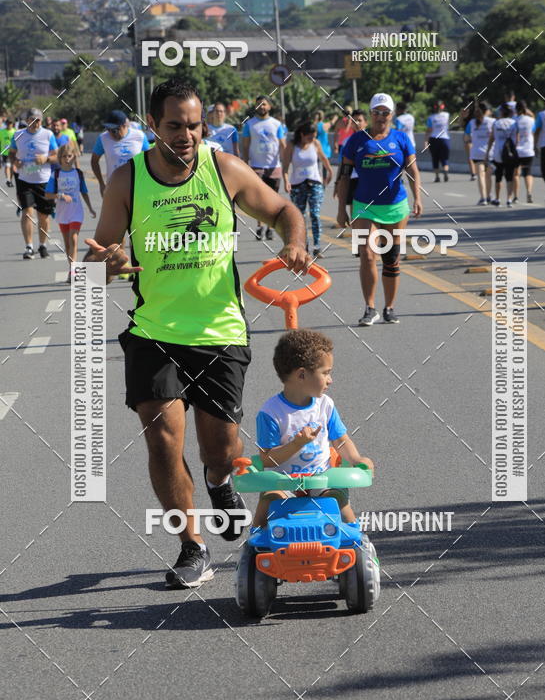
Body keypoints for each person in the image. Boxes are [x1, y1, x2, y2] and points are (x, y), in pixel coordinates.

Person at [84, 78, 310, 589]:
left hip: (219, 332)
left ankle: (220, 481)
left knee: (220, 450)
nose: (186, 135)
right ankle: (192, 546)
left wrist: (294, 242)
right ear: (152, 126)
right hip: (154, 332)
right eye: (174, 126)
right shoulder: (127, 180)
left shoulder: (221, 167)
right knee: (163, 440)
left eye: (194, 125)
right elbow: (95, 265)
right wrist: (111, 264)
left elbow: (282, 210)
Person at [252, 329, 374, 529]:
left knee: (338, 501)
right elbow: (267, 458)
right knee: (269, 500)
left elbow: (340, 440)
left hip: (321, 478)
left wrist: (357, 459)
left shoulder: (325, 405)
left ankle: (359, 542)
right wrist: (296, 444)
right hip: (284, 482)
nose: (330, 379)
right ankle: (254, 544)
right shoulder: (271, 413)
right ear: (302, 374)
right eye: (325, 373)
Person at [336, 92, 423, 326]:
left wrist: (418, 198)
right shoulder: (356, 141)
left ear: (392, 115)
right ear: (370, 114)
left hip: (395, 207)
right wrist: (341, 209)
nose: (381, 116)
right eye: (376, 112)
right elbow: (344, 177)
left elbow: (413, 170)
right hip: (365, 206)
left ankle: (390, 307)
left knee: (391, 258)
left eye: (385, 113)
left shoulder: (402, 139)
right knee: (367, 254)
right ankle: (370, 307)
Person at [9, 107, 58, 259]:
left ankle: (42, 245)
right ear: (27, 121)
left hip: (43, 180)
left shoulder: (48, 134)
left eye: (39, 121)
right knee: (27, 212)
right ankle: (29, 246)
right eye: (33, 120)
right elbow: (11, 153)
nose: (36, 123)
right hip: (24, 179)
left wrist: (46, 159)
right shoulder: (18, 135)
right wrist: (15, 161)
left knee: (43, 216)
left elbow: (56, 155)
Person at [45, 142, 96, 283]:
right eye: (64, 156)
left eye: (70, 156)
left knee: (73, 239)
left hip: (76, 211)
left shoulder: (78, 173)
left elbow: (84, 191)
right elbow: (48, 194)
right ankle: (71, 269)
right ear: (60, 158)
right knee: (67, 243)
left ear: (74, 157)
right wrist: (61, 196)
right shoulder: (55, 174)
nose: (67, 158)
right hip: (62, 212)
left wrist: (91, 208)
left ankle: (74, 272)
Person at [283, 121, 333, 258]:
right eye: (309, 137)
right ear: (302, 135)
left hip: (314, 183)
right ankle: (303, 246)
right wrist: (286, 181)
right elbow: (286, 166)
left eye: (314, 136)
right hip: (297, 185)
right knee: (300, 217)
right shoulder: (292, 146)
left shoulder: (315, 144)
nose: (312, 139)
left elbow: (323, 158)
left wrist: (330, 172)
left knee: (315, 214)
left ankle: (317, 247)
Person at [240, 95, 286, 241]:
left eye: (264, 104)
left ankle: (270, 228)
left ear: (269, 107)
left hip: (274, 166)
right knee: (259, 199)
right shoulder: (250, 124)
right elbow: (245, 146)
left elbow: (283, 145)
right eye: (259, 104)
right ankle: (260, 226)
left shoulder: (277, 124)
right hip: (256, 166)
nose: (262, 107)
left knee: (273, 199)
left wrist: (286, 165)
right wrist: (245, 165)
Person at [91, 109, 151, 197]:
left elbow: (150, 159)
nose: (111, 133)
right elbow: (94, 161)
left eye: (114, 130)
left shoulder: (140, 136)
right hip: (114, 188)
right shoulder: (103, 138)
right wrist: (101, 183)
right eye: (108, 129)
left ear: (124, 125)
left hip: (137, 187)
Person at [333, 109, 367, 212]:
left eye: (359, 120)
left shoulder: (374, 140)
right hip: (353, 181)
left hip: (368, 180)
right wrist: (337, 184)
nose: (357, 123)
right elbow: (343, 164)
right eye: (354, 120)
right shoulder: (347, 142)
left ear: (366, 123)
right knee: (355, 214)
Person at [486, 104, 518, 207]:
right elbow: (517, 139)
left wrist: (487, 152)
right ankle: (509, 199)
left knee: (498, 177)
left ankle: (498, 198)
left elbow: (492, 138)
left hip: (498, 154)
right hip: (510, 154)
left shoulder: (496, 123)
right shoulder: (514, 123)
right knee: (509, 177)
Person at [464, 102, 494, 205]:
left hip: (477, 152)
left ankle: (483, 198)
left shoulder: (471, 122)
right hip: (490, 152)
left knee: (480, 175)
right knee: (488, 175)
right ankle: (489, 196)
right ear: (487, 111)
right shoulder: (492, 121)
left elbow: (467, 138)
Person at [512, 100, 535, 204]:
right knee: (528, 173)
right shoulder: (531, 120)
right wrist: (527, 111)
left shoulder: (513, 120)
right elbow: (533, 120)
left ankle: (516, 196)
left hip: (516, 151)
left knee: (516, 174)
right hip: (528, 150)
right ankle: (529, 193)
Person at [424, 101, 450, 182]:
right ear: (442, 107)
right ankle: (445, 171)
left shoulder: (431, 117)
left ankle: (437, 176)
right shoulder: (447, 115)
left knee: (435, 158)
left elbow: (429, 130)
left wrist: (425, 142)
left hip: (434, 139)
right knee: (444, 158)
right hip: (444, 138)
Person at [0, 118, 16, 187]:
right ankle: (8, 180)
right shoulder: (1, 132)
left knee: (12, 167)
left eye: (10, 123)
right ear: (6, 124)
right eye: (8, 123)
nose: (9, 125)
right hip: (5, 153)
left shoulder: (15, 132)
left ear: (12, 124)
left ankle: (10, 180)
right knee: (7, 166)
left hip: (13, 153)